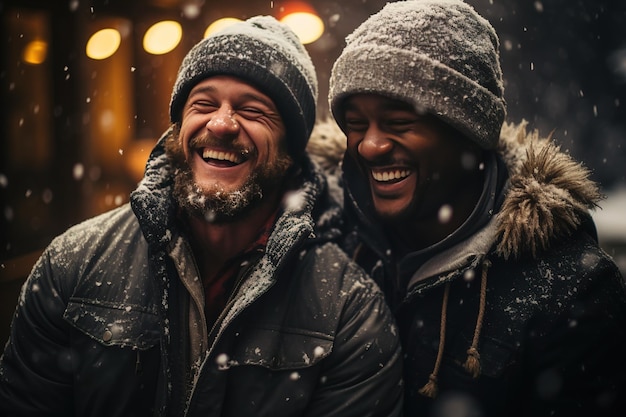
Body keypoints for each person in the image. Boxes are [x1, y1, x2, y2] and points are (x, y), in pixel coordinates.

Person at [0, 16, 404, 417]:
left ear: (290, 151)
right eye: (204, 104)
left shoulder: (348, 309)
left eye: (253, 110)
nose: (222, 123)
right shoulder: (73, 264)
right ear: (179, 129)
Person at [327, 0, 626, 416]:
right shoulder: (330, 237)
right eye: (356, 124)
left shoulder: (571, 291)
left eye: (398, 124)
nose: (370, 145)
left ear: (470, 133)